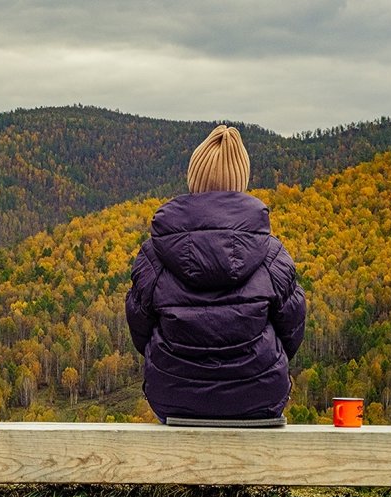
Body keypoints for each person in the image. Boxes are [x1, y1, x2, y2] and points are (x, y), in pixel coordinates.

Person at [125, 125, 306, 422]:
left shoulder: (154, 254)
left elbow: (140, 329)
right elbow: (292, 330)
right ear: (242, 181)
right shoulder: (272, 254)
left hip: (173, 398)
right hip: (260, 398)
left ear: (193, 178)